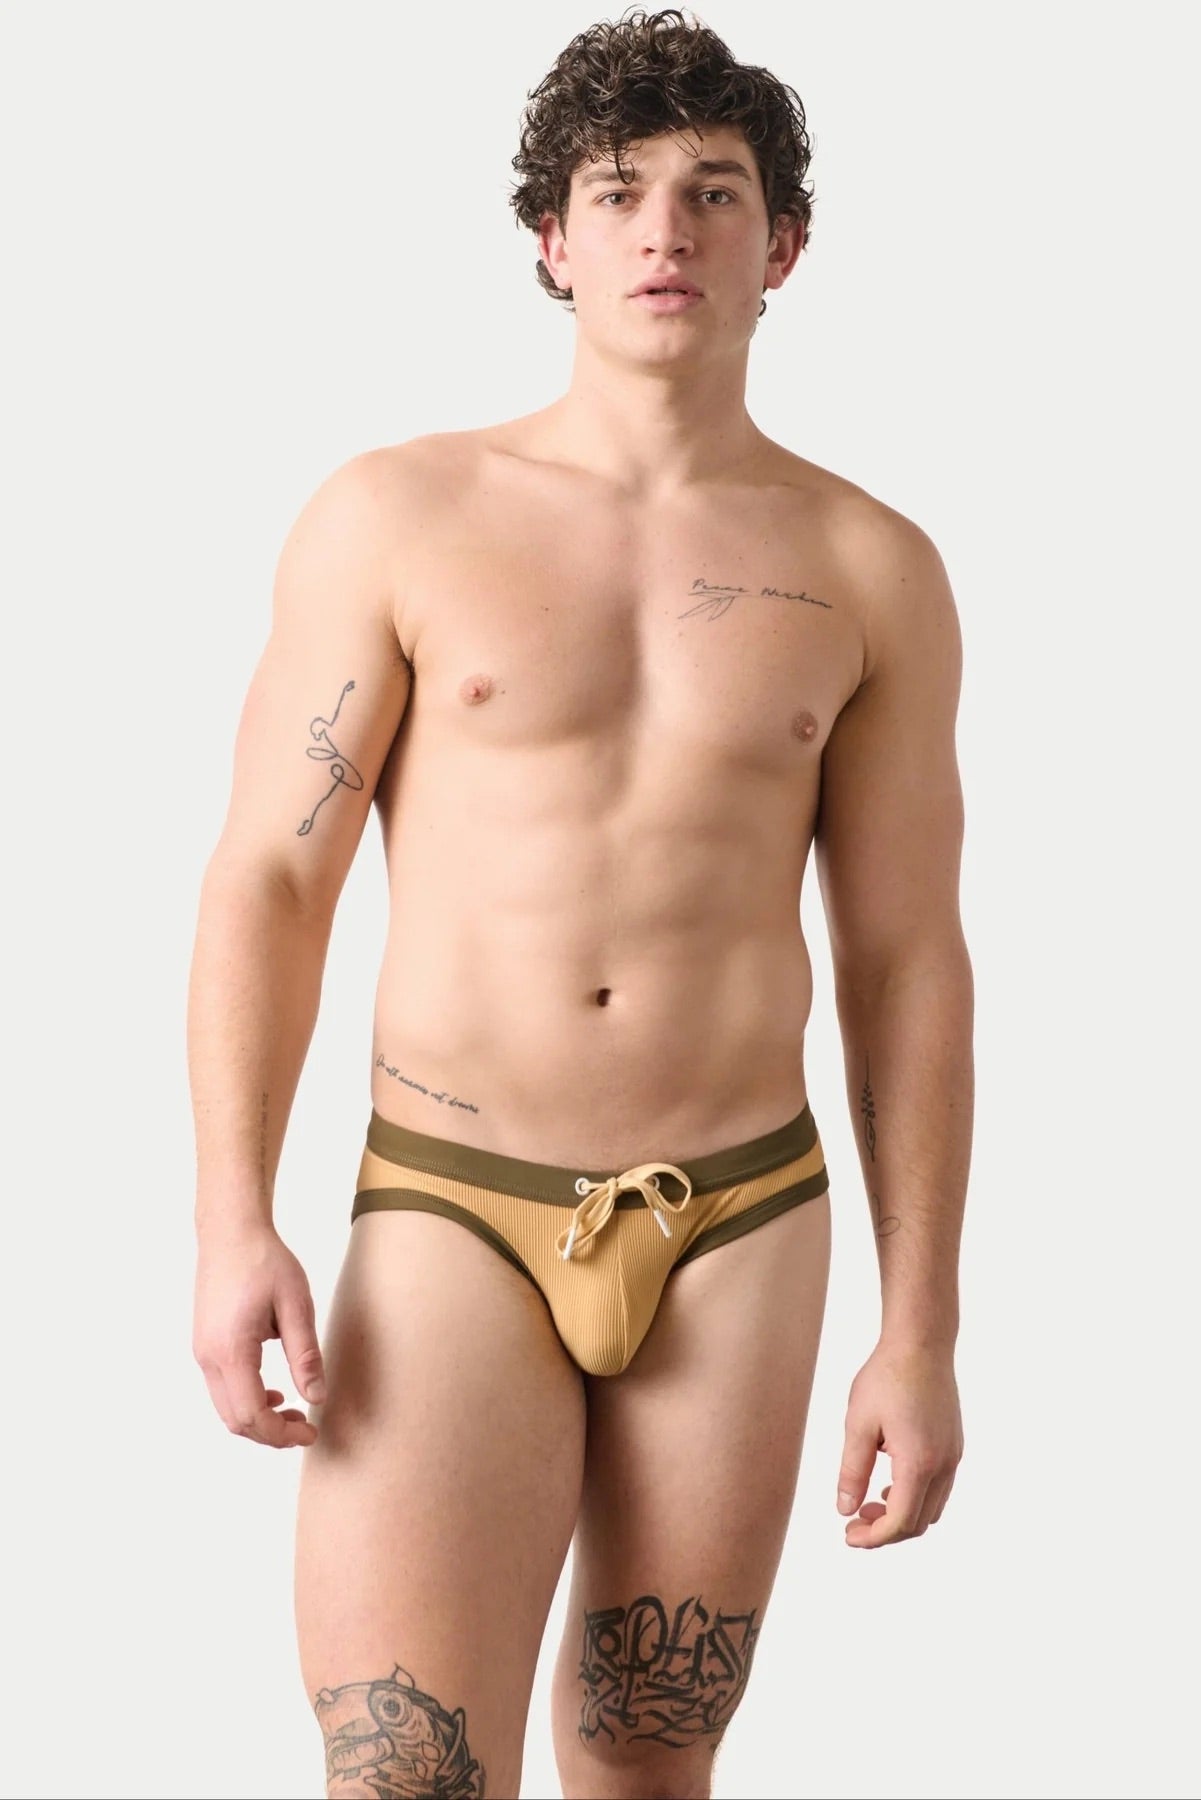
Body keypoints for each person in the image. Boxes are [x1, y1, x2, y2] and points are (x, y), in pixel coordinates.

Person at [188, 8, 972, 1796]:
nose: (662, 231)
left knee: (646, 1769)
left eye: (713, 192)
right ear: (551, 239)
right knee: (404, 1776)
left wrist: (919, 1329)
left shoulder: (869, 567)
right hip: (455, 1201)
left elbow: (907, 961)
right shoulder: (399, 514)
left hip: (740, 1217)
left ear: (782, 245)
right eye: (616, 193)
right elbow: (272, 875)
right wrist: (233, 1220)